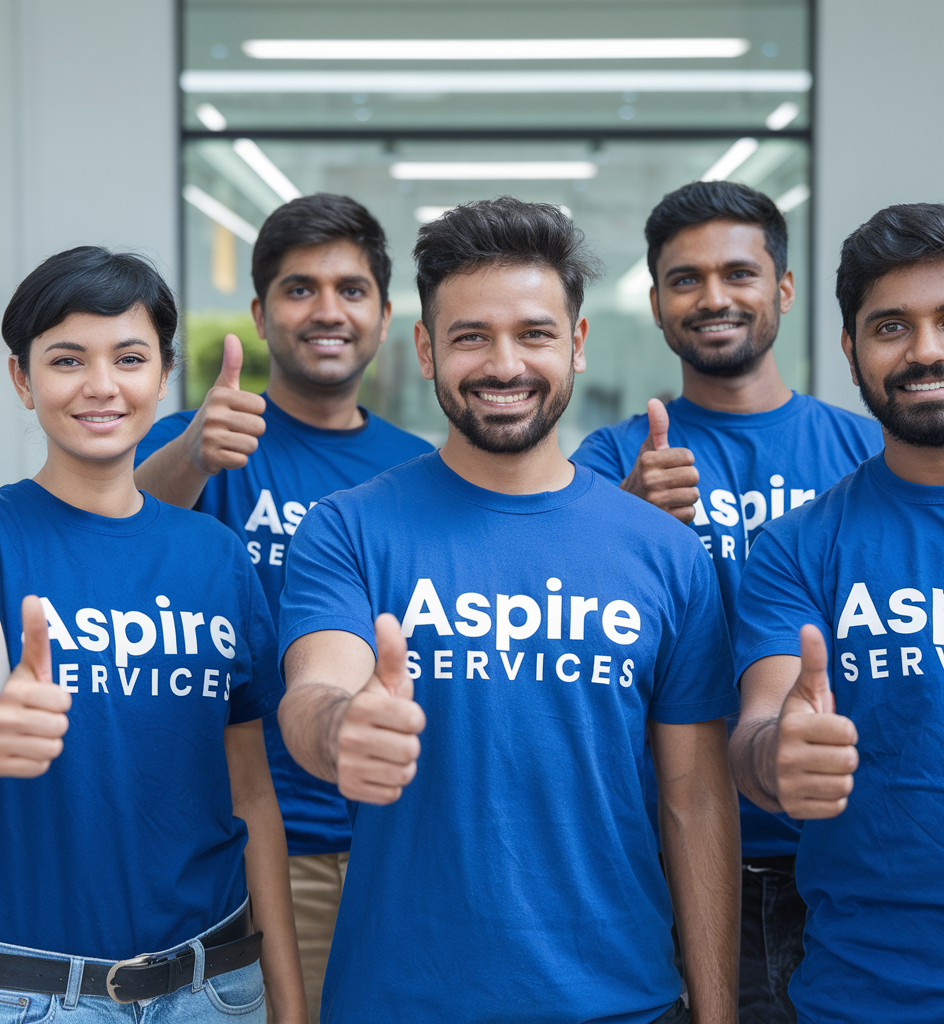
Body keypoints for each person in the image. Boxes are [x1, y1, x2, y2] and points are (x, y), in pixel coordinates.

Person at [276, 197, 741, 1024]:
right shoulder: (346, 529)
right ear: (424, 349)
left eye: (533, 333)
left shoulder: (665, 553)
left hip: (623, 1001)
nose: (503, 365)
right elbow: (314, 692)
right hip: (402, 1003)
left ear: (578, 344)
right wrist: (341, 729)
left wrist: (716, 1012)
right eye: (469, 336)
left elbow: (697, 799)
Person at [572, 180, 881, 1023]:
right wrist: (626, 518)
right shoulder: (606, 460)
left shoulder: (865, 453)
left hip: (844, 861)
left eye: (738, 274)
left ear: (782, 289)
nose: (713, 298)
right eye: (685, 278)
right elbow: (565, 631)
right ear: (658, 301)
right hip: (673, 857)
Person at [134, 194, 433, 1024]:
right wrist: (191, 454)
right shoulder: (206, 443)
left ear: (382, 314)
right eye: (300, 289)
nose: (327, 309)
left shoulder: (421, 468)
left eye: (351, 288)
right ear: (261, 315)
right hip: (254, 845)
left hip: (401, 849)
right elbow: (113, 534)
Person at [729, 203, 944, 1022]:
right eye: (890, 325)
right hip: (863, 995)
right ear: (851, 349)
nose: (926, 349)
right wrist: (777, 756)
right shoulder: (795, 548)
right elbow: (760, 726)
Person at [0, 247, 304, 1023]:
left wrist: (289, 1001)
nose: (101, 385)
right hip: (36, 992)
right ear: (22, 380)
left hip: (216, 986)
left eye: (129, 357)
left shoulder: (216, 555)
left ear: (164, 374)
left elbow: (251, 793)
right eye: (66, 359)